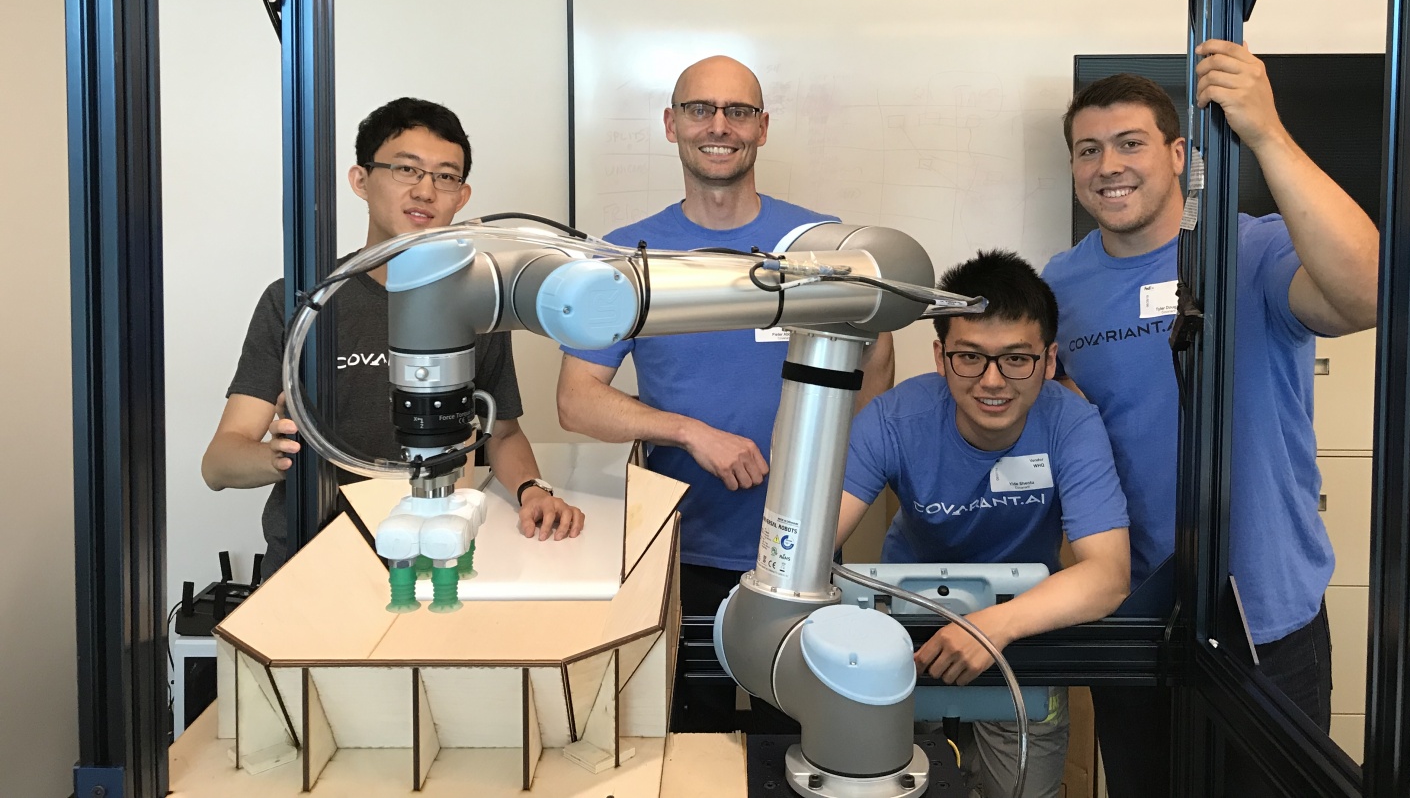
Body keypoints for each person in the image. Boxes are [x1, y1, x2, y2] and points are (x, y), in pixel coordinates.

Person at [1041, 41, 1380, 796]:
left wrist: (1266, 131)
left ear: (1178, 155)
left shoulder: (1253, 249)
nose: (1108, 165)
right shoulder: (1060, 284)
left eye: (1130, 143)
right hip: (1132, 617)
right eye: (1088, 150)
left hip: (1265, 616)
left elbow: (1368, 294)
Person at [556, 54, 894, 732]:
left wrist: (834, 474)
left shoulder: (819, 243)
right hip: (685, 553)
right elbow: (577, 400)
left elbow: (878, 355)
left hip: (804, 552)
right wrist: (688, 431)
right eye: (699, 110)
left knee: (801, 741)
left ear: (762, 127)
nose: (718, 126)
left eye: (738, 111)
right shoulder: (629, 255)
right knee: (692, 746)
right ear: (671, 123)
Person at [203, 97, 584, 576]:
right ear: (360, 180)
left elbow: (503, 432)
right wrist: (275, 456)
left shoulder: (473, 301)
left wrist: (533, 490)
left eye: (445, 176)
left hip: (435, 553)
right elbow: (218, 463)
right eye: (406, 169)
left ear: (462, 197)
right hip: (313, 562)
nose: (425, 190)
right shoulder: (299, 300)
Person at [836, 249, 1130, 798]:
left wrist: (992, 628)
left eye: (1016, 359)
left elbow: (1109, 576)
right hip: (908, 639)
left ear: (1048, 360)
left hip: (1023, 633)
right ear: (941, 356)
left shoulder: (1072, 425)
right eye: (970, 357)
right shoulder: (895, 420)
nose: (993, 381)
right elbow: (810, 547)